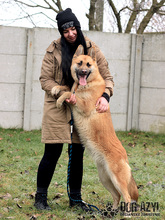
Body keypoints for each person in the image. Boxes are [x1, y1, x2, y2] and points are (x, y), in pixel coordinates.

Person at [34, 8, 114, 211]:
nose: (70, 33)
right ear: (61, 32)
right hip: (57, 104)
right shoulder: (53, 50)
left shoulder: (90, 48)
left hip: (83, 108)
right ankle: (40, 198)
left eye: (72, 28)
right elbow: (45, 79)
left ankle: (76, 200)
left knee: (77, 153)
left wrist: (105, 96)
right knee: (52, 152)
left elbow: (107, 76)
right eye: (65, 30)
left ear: (77, 27)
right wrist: (62, 91)